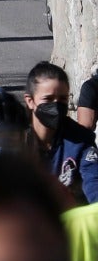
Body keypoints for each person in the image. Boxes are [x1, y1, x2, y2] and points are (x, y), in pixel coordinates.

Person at [24, 61, 98, 205]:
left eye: (62, 99)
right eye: (48, 99)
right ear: (30, 101)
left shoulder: (81, 141)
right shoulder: (15, 138)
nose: (56, 106)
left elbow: (93, 180)